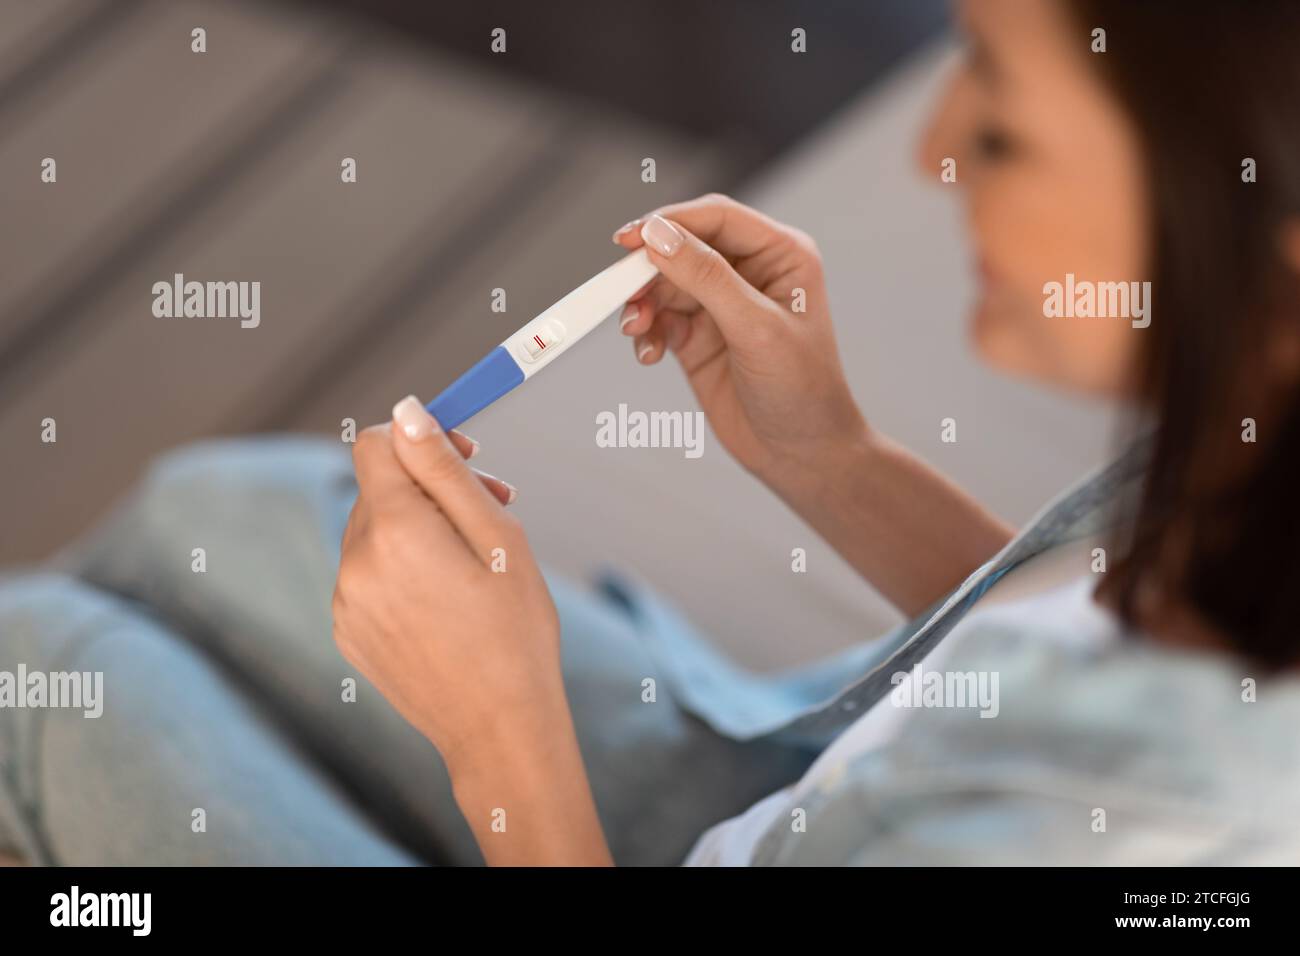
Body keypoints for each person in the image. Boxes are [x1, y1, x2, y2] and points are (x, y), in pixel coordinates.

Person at [3, 0, 1299, 866]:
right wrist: (827, 460)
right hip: (795, 798)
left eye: (1004, 122)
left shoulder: (1171, 829)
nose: (934, 152)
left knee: (30, 658)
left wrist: (499, 739)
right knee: (217, 509)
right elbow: (1084, 627)